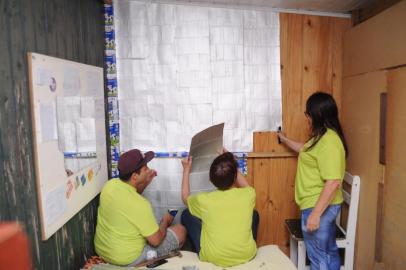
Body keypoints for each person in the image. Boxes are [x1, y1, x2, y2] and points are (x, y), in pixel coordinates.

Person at [277, 92, 347, 270]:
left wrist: (315, 214)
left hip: (319, 205)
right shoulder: (322, 138)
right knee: (327, 254)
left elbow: (333, 182)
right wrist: (284, 139)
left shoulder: (329, 142)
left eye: (308, 114)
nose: (306, 118)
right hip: (318, 204)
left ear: (316, 115)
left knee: (318, 259)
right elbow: (305, 150)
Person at [94, 149, 186, 266]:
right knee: (180, 231)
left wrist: (146, 181)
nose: (148, 170)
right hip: (129, 259)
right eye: (145, 169)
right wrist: (166, 221)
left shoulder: (109, 185)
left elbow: (131, 195)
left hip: (103, 251)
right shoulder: (141, 204)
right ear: (134, 176)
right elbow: (156, 241)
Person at [180, 151, 259, 267]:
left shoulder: (204, 201)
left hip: (213, 258)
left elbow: (185, 197)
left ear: (211, 179)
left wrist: (186, 169)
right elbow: (245, 185)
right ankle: (242, 247)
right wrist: (231, 161)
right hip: (246, 255)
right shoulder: (249, 194)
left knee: (186, 214)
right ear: (235, 176)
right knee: (254, 214)